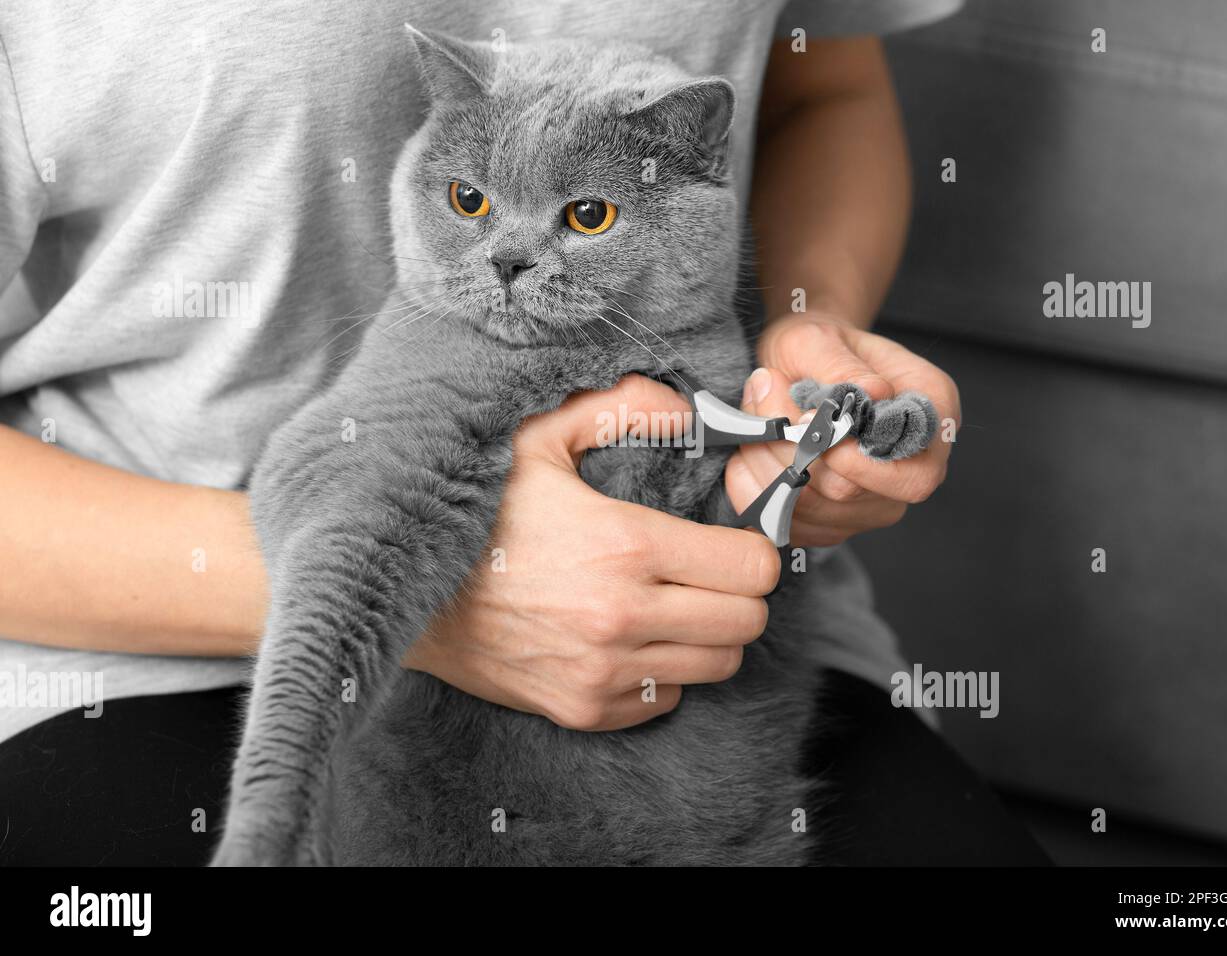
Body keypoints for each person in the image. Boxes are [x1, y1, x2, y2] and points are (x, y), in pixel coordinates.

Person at [0, 0, 1044, 865]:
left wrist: (813, 342)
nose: (508, 258)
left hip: (701, 673)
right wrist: (448, 585)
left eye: (582, 215)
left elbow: (828, 86)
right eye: (469, 201)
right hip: (157, 641)